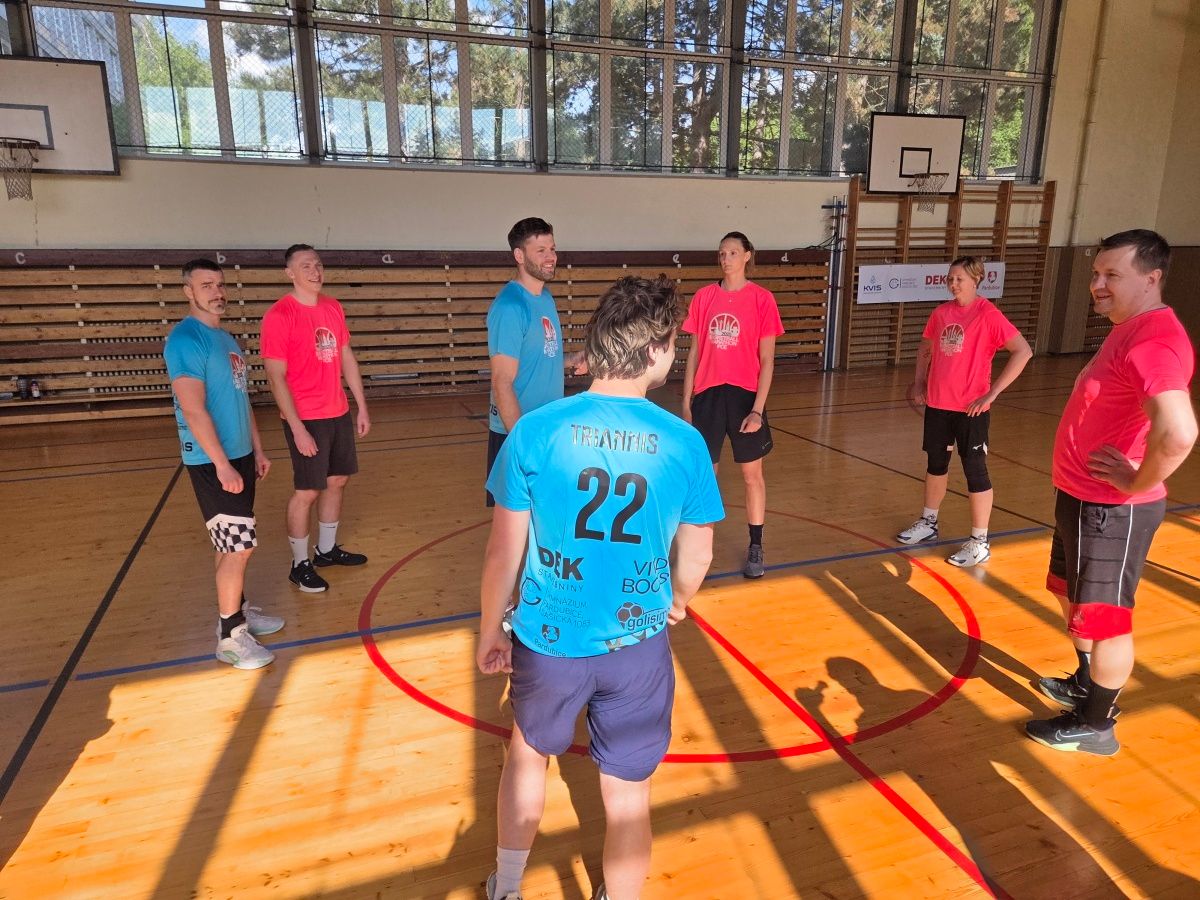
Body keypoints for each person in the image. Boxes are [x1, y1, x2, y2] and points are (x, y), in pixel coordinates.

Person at [477, 276, 724, 900]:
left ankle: (507, 887)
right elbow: (698, 553)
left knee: (527, 756)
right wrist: (679, 600)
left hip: (548, 640)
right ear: (656, 350)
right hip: (637, 645)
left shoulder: (535, 430)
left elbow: (504, 550)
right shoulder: (685, 442)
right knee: (629, 797)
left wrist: (488, 632)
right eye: (674, 344)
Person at [1027, 229, 1196, 756]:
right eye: (1096, 274)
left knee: (1106, 622)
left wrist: (1136, 481)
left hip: (1110, 510)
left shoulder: (1153, 342)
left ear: (1152, 278)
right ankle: (1087, 681)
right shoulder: (1129, 329)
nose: (1098, 285)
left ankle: (1096, 726)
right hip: (1081, 499)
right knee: (1067, 592)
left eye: (1112, 275)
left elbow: (1179, 432)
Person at [164, 258, 284, 670]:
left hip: (240, 455)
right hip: (211, 460)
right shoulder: (185, 339)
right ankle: (231, 638)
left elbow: (240, 399)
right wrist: (221, 464)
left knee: (230, 543)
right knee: (240, 546)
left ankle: (238, 611)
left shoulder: (227, 339)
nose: (217, 292)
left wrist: (257, 450)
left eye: (219, 284)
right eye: (206, 285)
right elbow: (193, 409)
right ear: (188, 292)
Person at [896, 255, 1032, 566]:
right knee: (935, 464)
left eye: (959, 279)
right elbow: (926, 347)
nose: (953, 284)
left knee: (975, 470)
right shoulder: (941, 313)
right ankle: (929, 522)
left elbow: (1023, 351)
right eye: (950, 278)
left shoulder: (988, 314)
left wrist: (992, 393)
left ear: (976, 279)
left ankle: (979, 541)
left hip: (971, 410)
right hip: (938, 405)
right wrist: (920, 381)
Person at [261, 244, 371, 593]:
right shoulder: (280, 315)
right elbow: (276, 376)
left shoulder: (333, 307)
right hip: (305, 416)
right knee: (307, 490)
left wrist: (361, 405)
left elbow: (346, 357)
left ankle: (325, 551)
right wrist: (297, 429)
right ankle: (299, 564)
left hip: (336, 410)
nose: (315, 271)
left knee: (337, 480)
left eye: (318, 264)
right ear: (290, 273)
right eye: (306, 265)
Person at [681, 231, 783, 579]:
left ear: (747, 256)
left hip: (744, 397)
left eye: (733, 252)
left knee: (752, 476)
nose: (726, 259)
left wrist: (757, 410)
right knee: (705, 475)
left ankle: (756, 545)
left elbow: (767, 360)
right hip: (708, 396)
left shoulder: (762, 299)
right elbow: (694, 352)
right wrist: (687, 401)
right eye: (722, 253)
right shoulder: (704, 297)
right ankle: (700, 546)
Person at [485, 217, 586, 506]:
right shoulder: (510, 306)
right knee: (515, 521)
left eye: (552, 249)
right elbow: (502, 381)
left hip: (547, 427)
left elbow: (540, 356)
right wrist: (521, 442)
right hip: (520, 432)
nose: (551, 257)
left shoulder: (544, 297)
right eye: (540, 250)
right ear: (519, 255)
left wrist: (572, 360)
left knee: (543, 517)